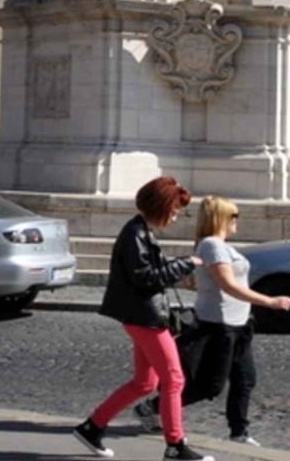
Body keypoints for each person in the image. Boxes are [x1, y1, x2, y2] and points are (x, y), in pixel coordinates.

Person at [73, 176, 212, 461]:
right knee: (174, 379)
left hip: (141, 315)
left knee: (145, 383)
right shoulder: (135, 234)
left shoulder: (139, 231)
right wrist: (185, 264)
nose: (175, 217)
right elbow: (145, 278)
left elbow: (148, 274)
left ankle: (92, 427)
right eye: (173, 211)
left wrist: (178, 266)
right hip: (145, 316)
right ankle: (175, 445)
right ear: (161, 207)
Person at [135, 196, 290, 447]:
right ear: (223, 218)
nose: (237, 221)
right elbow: (228, 285)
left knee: (245, 378)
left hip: (239, 322)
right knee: (210, 385)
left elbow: (205, 282)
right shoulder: (212, 245)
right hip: (220, 325)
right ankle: (151, 407)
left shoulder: (220, 246)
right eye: (234, 216)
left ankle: (239, 431)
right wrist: (270, 302)